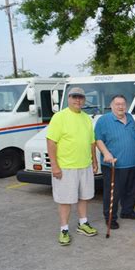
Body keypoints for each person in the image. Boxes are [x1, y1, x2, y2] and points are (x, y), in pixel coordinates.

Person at [47, 87, 98, 246]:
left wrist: (94, 161)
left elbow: (91, 142)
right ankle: (64, 229)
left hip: (85, 166)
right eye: (75, 97)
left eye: (81, 98)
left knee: (84, 196)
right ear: (68, 98)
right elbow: (51, 142)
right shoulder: (59, 117)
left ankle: (83, 223)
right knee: (65, 200)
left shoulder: (86, 118)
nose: (78, 100)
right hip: (66, 167)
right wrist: (55, 166)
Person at [95, 95, 135, 230]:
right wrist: (106, 153)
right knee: (112, 193)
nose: (120, 107)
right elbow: (98, 139)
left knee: (131, 190)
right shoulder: (103, 120)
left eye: (123, 104)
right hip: (114, 164)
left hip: (133, 162)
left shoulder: (130, 118)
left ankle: (127, 211)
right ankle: (110, 217)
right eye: (117, 104)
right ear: (111, 106)